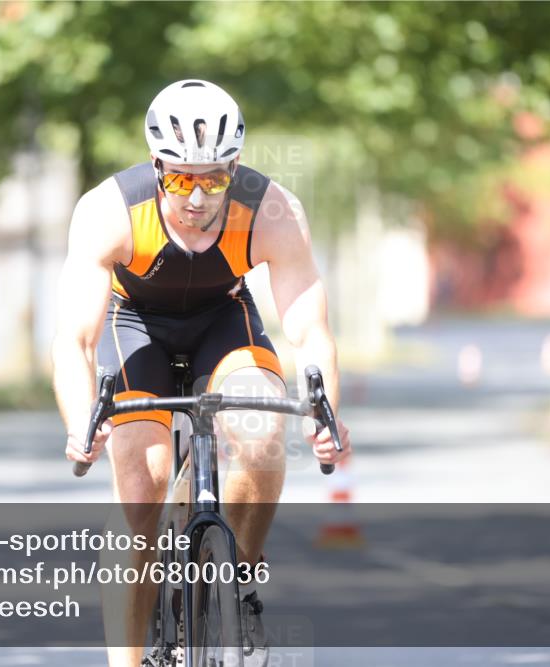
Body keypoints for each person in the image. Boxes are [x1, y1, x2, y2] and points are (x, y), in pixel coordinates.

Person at [53, 79, 351, 667]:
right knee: (143, 486)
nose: (196, 196)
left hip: (222, 319)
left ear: (233, 168)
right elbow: (76, 339)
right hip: (132, 323)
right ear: (157, 165)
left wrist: (327, 416)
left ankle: (238, 585)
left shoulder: (273, 210)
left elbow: (309, 329)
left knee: (263, 438)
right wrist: (80, 423)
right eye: (181, 178)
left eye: (213, 178)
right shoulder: (108, 211)